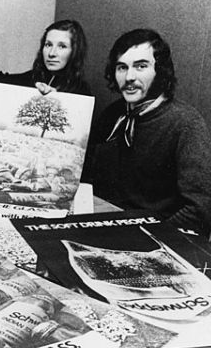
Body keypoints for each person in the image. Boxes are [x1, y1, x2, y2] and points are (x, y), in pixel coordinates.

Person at [83, 28, 211, 236]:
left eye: (141, 66)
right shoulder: (113, 114)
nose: (129, 77)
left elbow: (200, 210)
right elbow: (84, 174)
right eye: (122, 68)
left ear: (160, 71)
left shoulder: (186, 124)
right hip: (104, 228)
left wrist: (146, 237)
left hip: (156, 243)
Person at [0, 19, 91, 96]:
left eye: (62, 46)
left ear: (74, 51)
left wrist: (58, 100)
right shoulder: (34, 78)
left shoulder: (81, 90)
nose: (52, 53)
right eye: (48, 45)